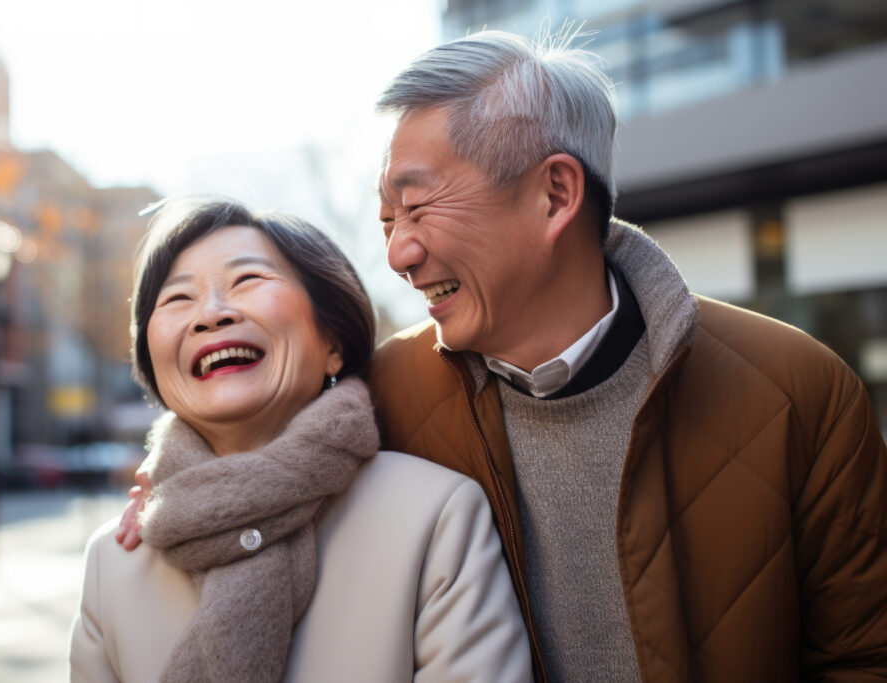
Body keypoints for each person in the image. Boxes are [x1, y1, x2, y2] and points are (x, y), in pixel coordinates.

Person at [368, 29, 887, 682]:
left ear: (555, 194)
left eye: (417, 207)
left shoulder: (800, 390)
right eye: (388, 221)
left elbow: (865, 658)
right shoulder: (383, 399)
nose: (399, 255)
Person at [68, 197, 532, 682]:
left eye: (247, 280)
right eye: (177, 299)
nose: (211, 314)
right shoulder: (112, 561)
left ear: (333, 342)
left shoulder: (435, 516)